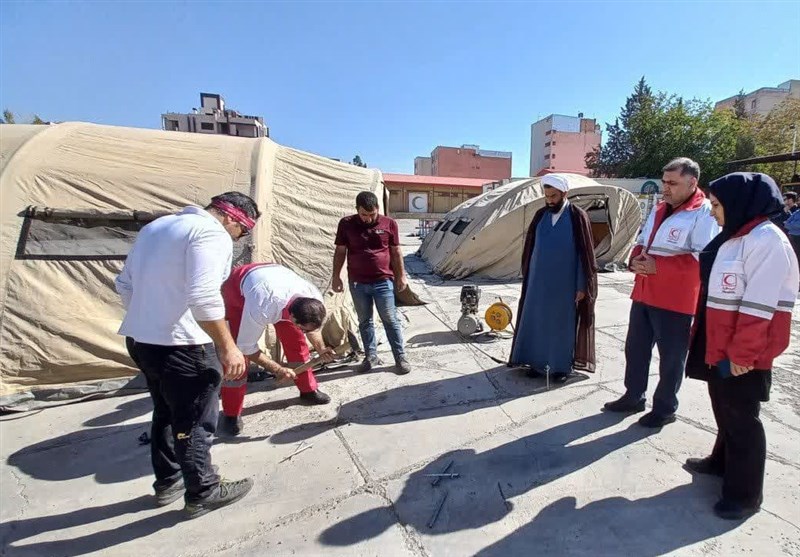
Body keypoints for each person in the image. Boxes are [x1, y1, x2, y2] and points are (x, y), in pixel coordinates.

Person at [115, 192, 260, 519]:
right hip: (184, 345)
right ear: (233, 219)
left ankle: (169, 480)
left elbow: (123, 284)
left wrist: (150, 320)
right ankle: (203, 490)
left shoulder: (156, 228)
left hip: (142, 341)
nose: (239, 238)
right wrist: (227, 346)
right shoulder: (211, 233)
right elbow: (204, 295)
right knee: (195, 419)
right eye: (243, 231)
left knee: (165, 411)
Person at [684, 172, 799, 520]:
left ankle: (745, 494)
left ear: (738, 203)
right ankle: (721, 462)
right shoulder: (736, 236)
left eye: (717, 206)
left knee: (742, 418)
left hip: (744, 351)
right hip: (721, 343)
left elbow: (759, 308)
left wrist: (743, 355)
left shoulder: (767, 241)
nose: (714, 213)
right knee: (723, 406)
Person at [604, 158, 720, 428]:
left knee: (671, 358)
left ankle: (666, 408)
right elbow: (643, 240)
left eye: (672, 183)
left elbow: (703, 258)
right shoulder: (659, 208)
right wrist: (634, 258)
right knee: (636, 350)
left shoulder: (703, 212)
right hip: (644, 292)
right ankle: (633, 396)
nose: (665, 188)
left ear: (692, 182)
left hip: (676, 299)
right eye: (664, 182)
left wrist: (660, 266)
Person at [218, 263, 336, 436]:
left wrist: (321, 349)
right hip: (237, 289)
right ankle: (231, 414)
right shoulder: (262, 306)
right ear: (293, 316)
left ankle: (308, 390)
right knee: (237, 356)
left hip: (275, 279)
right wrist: (278, 369)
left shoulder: (313, 298)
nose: (305, 332)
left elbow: (312, 329)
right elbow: (246, 347)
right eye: (301, 327)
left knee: (297, 343)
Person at [509, 174, 598, 383]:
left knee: (560, 326)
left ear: (564, 193)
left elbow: (584, 255)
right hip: (537, 283)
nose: (549, 200)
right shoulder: (540, 215)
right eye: (546, 196)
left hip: (564, 284)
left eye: (553, 196)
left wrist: (580, 285)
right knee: (536, 322)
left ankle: (559, 368)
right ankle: (534, 363)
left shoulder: (578, 216)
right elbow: (531, 249)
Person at [332, 191, 411, 374]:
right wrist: (336, 276)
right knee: (364, 321)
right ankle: (370, 357)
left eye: (372, 214)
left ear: (377, 209)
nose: (368, 219)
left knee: (390, 320)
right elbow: (340, 252)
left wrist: (401, 276)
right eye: (364, 215)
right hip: (358, 283)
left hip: (383, 281)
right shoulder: (346, 224)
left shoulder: (389, 224)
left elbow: (396, 252)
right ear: (357, 210)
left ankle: (400, 358)